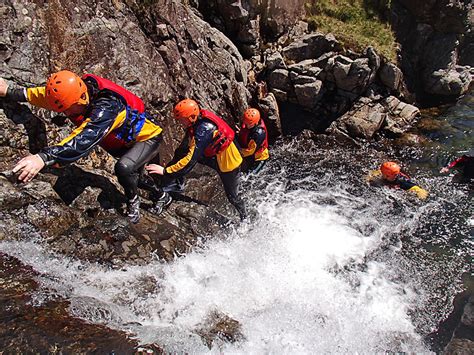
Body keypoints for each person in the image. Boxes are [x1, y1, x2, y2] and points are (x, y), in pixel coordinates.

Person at [0, 70, 168, 223]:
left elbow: (83, 139)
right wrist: (9, 91)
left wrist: (43, 157)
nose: (66, 114)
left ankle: (133, 203)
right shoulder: (73, 93)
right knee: (133, 176)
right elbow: (42, 96)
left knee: (124, 168)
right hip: (123, 139)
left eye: (68, 109)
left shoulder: (107, 107)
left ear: (82, 99)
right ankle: (161, 196)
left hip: (148, 137)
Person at [145, 98, 247, 220]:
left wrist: (166, 171)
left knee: (233, 197)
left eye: (181, 120)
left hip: (229, 166)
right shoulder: (196, 121)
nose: (179, 123)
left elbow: (190, 160)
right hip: (214, 156)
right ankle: (175, 185)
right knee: (181, 152)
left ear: (191, 117)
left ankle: (245, 217)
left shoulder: (204, 129)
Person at [237, 108, 269, 174]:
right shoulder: (248, 124)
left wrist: (238, 153)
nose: (247, 125)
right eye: (246, 123)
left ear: (256, 123)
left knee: (251, 175)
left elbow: (251, 151)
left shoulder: (259, 134)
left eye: (249, 124)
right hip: (250, 155)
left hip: (260, 157)